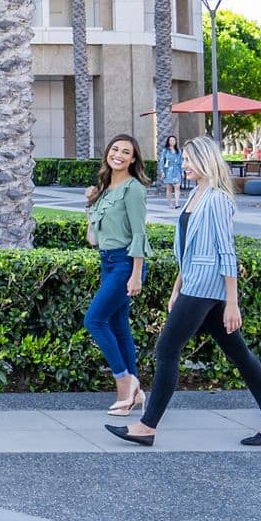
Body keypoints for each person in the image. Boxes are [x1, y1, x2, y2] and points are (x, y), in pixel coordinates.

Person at [107, 135, 261, 449]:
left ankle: (146, 427)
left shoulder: (216, 198)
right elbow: (189, 248)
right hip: (194, 283)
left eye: (189, 160)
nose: (184, 164)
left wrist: (232, 302)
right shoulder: (196, 194)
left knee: (166, 350)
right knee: (240, 355)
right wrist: (178, 286)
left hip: (207, 287)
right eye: (184, 159)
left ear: (205, 161)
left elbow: (226, 251)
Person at [83, 135, 150, 416]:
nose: (119, 155)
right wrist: (88, 206)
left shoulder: (133, 190)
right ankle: (131, 394)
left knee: (94, 320)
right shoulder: (105, 189)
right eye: (115, 149)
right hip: (107, 261)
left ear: (133, 159)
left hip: (125, 263)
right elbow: (93, 240)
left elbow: (139, 234)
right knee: (119, 325)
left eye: (126, 152)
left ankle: (124, 380)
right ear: (107, 154)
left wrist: (136, 274)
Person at [158, 134, 184, 208]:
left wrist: (182, 172)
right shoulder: (165, 151)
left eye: (174, 140)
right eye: (171, 140)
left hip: (177, 170)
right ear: (168, 141)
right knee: (169, 188)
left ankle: (177, 203)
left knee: (177, 186)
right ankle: (170, 203)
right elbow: (162, 161)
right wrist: (162, 171)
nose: (172, 142)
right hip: (168, 170)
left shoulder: (178, 151)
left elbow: (181, 161)